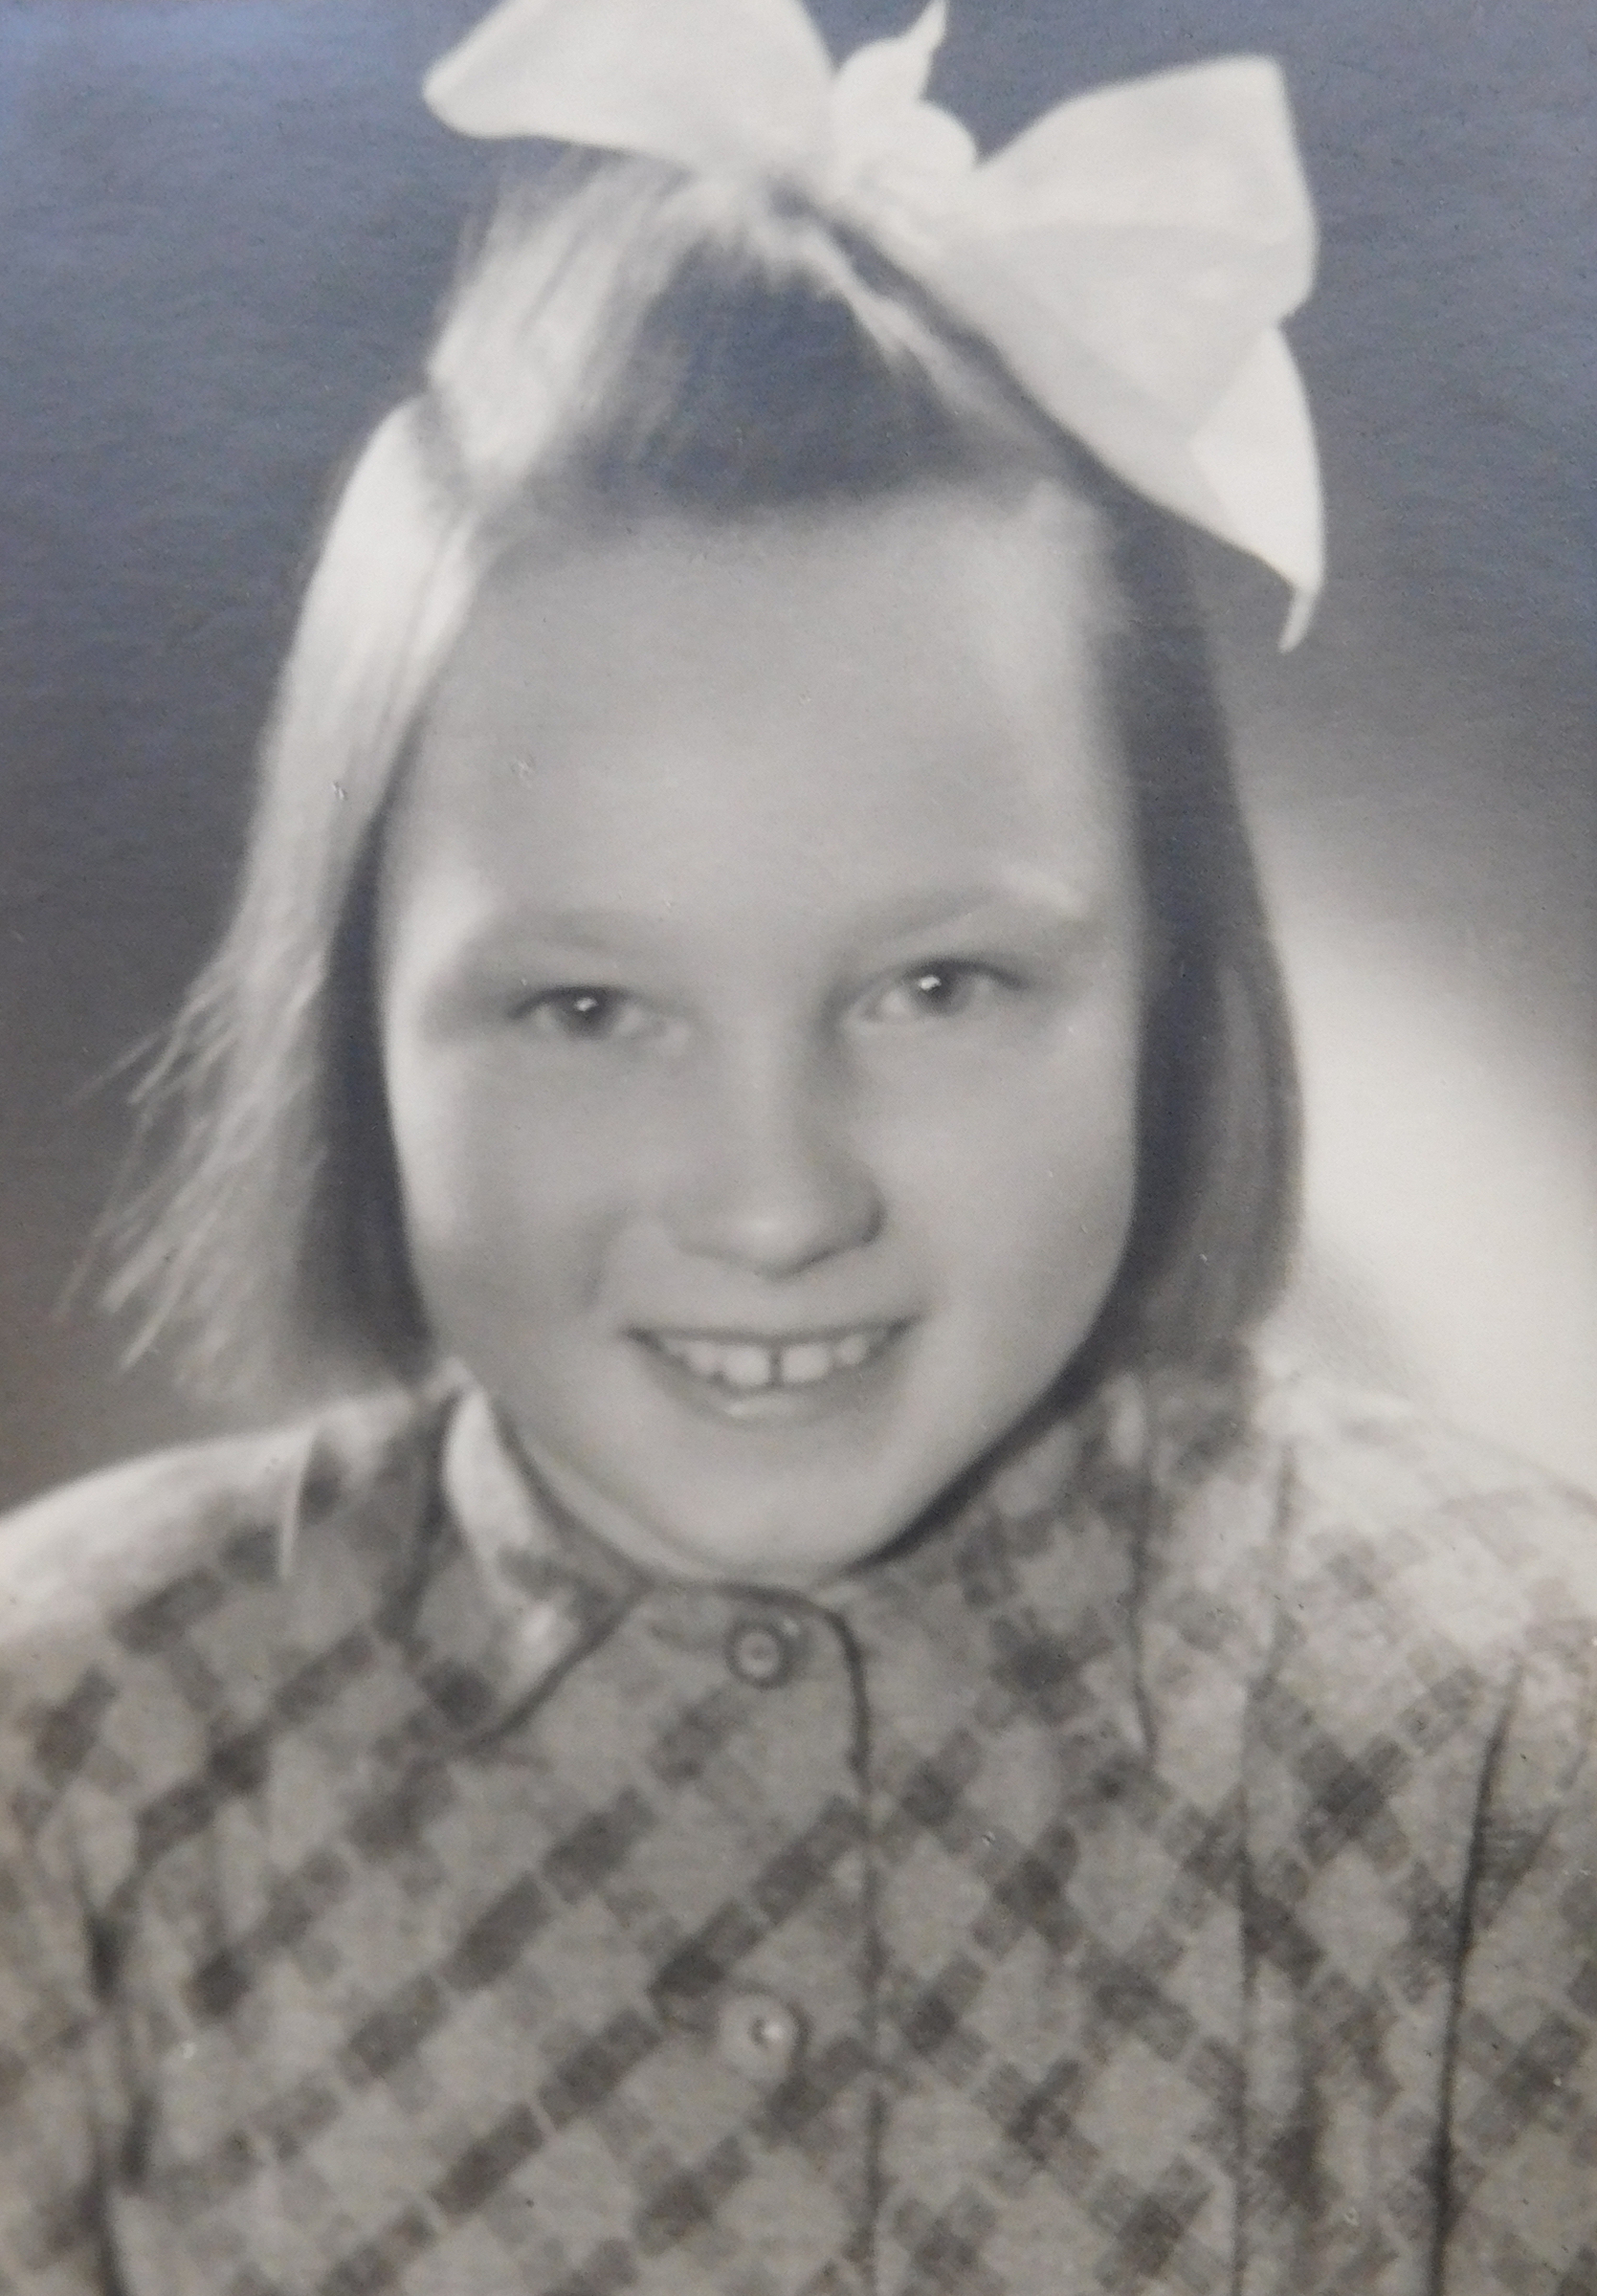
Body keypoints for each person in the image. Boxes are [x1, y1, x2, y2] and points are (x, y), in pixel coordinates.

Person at [1, 3, 1592, 2290]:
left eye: (937, 989)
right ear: (351, 1028)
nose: (771, 1202)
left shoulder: (1519, 1737)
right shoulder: (67, 1749)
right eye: (584, 1010)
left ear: (1172, 985)